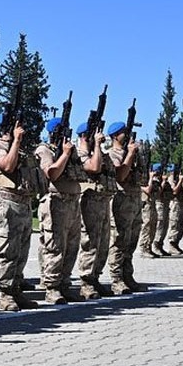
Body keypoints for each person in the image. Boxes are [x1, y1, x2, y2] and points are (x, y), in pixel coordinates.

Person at [0, 114, 43, 311]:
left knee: (21, 251)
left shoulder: (22, 149)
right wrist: (16, 141)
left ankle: (16, 289)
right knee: (7, 251)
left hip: (24, 203)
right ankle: (4, 294)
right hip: (8, 203)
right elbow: (8, 166)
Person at [35, 117, 85, 304]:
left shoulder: (71, 152)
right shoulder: (44, 150)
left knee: (71, 246)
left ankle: (64, 283)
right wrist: (64, 154)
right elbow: (52, 173)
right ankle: (51, 287)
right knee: (55, 246)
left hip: (72, 202)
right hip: (55, 202)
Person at [75, 122, 115, 298]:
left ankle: (95, 277)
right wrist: (97, 145)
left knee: (103, 244)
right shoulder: (80, 154)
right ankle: (86, 282)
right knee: (90, 243)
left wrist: (99, 149)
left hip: (104, 200)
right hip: (90, 201)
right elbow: (94, 167)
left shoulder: (98, 153)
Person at [105, 122, 145, 293]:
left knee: (132, 240)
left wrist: (137, 155)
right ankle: (116, 279)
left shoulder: (133, 153)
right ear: (115, 136)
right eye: (123, 133)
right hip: (121, 200)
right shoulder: (112, 154)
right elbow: (120, 175)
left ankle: (128, 275)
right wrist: (130, 154)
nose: (127, 135)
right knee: (120, 240)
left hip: (135, 199)